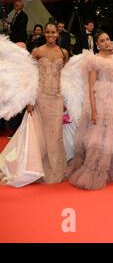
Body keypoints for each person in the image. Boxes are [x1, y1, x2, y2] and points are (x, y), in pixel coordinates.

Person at [67, 31, 113, 190]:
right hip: (101, 102)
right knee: (100, 137)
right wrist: (94, 110)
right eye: (102, 40)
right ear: (97, 44)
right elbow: (91, 88)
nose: (106, 42)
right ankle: (93, 172)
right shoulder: (94, 61)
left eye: (107, 39)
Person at [28, 23, 70, 183]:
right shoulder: (37, 51)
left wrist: (66, 98)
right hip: (41, 97)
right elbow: (31, 76)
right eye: (47, 32)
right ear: (44, 34)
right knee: (42, 133)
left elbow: (64, 77)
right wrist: (30, 100)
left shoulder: (63, 52)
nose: (50, 34)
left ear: (57, 34)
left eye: (53, 32)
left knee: (56, 133)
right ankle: (38, 168)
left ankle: (56, 168)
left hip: (57, 97)